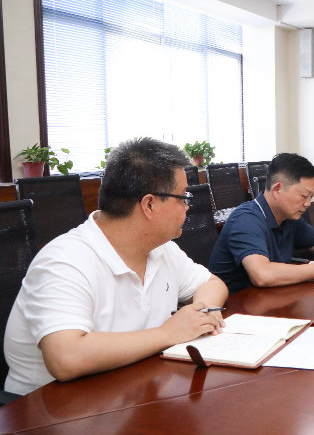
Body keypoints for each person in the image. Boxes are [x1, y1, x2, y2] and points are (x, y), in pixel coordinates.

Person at [4, 137, 229, 395]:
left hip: (131, 390)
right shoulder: (64, 261)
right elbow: (66, 358)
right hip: (50, 408)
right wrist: (169, 333)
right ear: (149, 205)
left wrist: (202, 313)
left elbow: (211, 283)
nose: (188, 207)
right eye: (183, 197)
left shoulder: (161, 248)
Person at [209, 153, 314, 293]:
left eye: (311, 197)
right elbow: (262, 275)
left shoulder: (289, 217)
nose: (308, 203)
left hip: (272, 296)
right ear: (277, 189)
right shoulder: (246, 220)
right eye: (304, 196)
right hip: (236, 303)